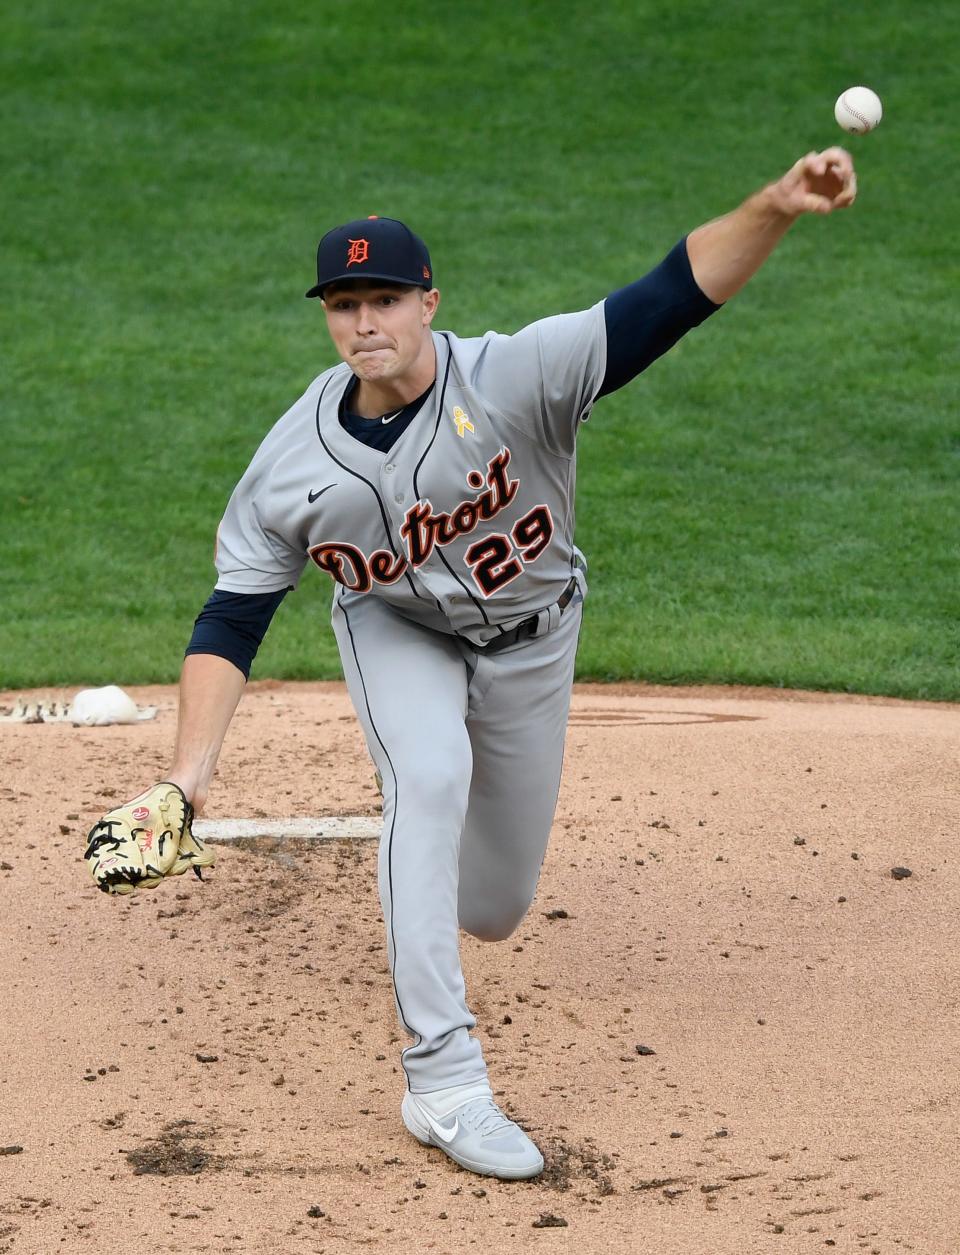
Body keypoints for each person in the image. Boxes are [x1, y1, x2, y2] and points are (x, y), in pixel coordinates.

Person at [166, 148, 857, 1180]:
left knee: (491, 905)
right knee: (426, 779)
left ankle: (423, 909)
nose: (365, 323)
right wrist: (186, 777)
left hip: (538, 634)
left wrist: (778, 204)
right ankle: (442, 1081)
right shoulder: (292, 468)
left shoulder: (518, 374)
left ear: (429, 301)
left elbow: (670, 296)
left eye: (385, 298)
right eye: (343, 302)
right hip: (396, 626)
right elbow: (231, 619)